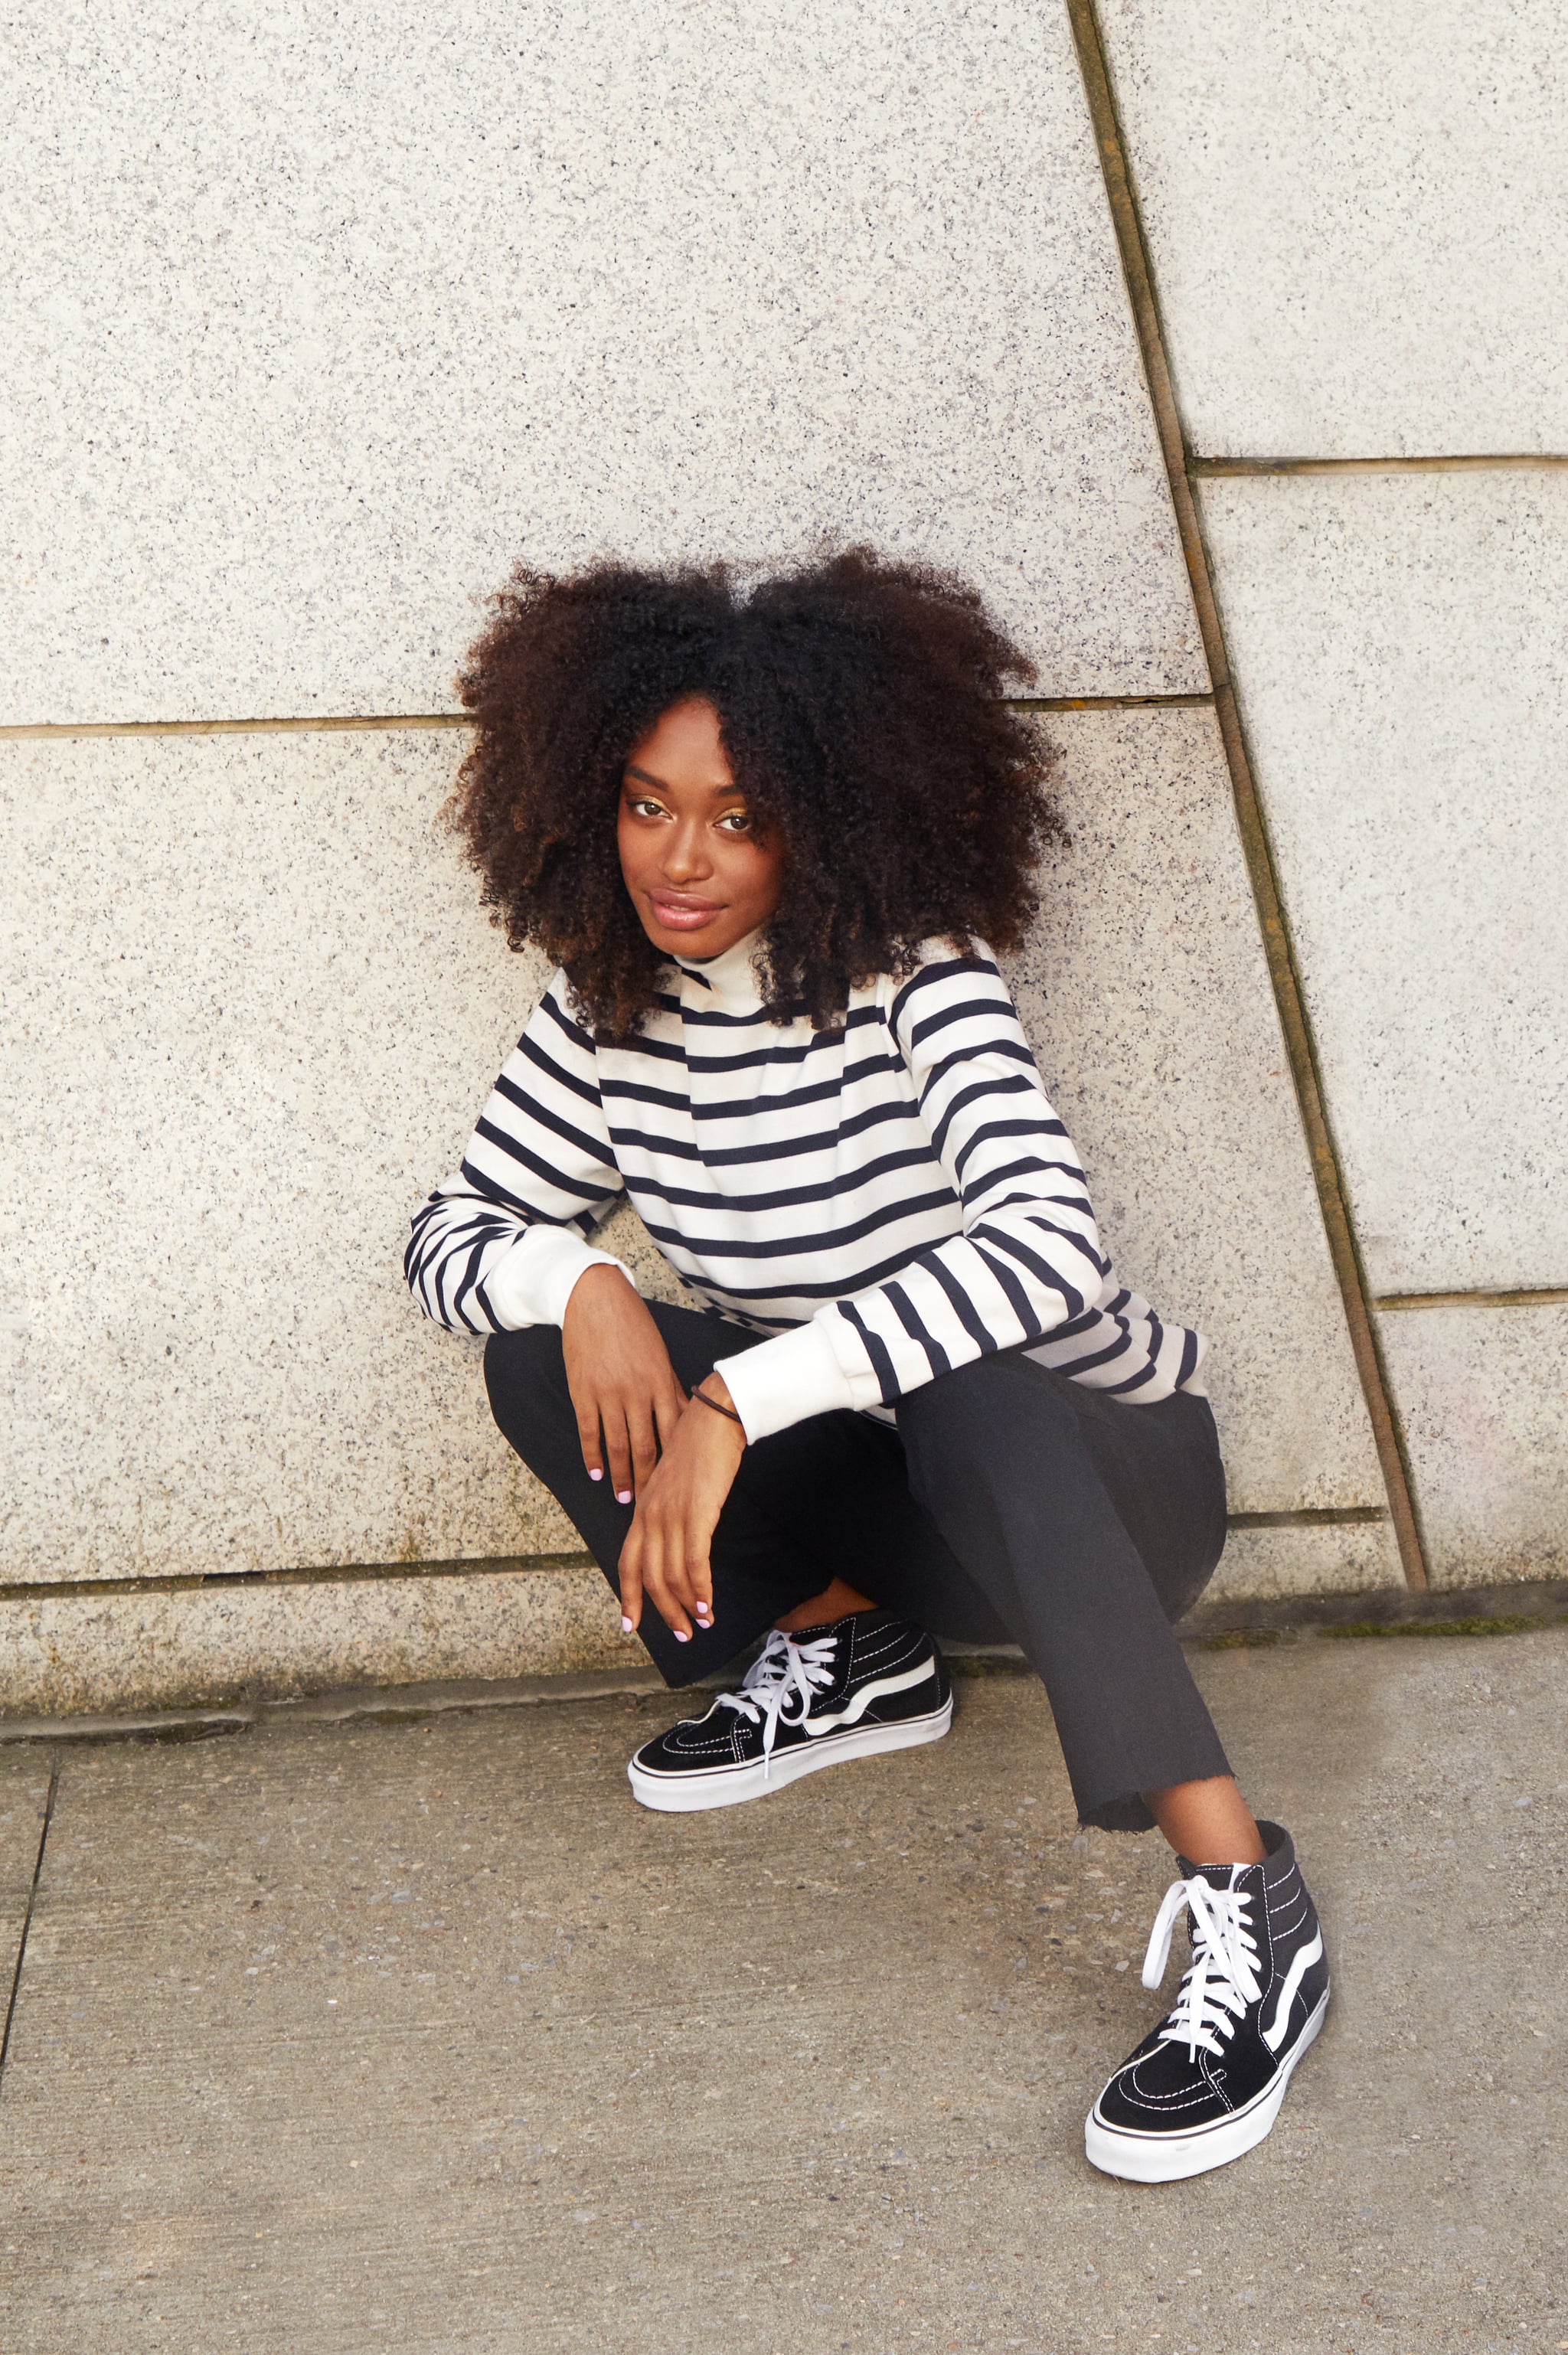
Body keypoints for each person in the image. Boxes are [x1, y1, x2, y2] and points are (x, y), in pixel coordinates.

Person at [405, 549, 1328, 2182]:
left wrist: (733, 1395)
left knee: (969, 1371)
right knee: (542, 1351)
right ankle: (853, 1652)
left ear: (828, 816)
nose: (679, 857)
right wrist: (585, 1277)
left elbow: (1046, 1246)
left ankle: (1247, 1888)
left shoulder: (919, 973)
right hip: (906, 1501)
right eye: (645, 801)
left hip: (1106, 1493)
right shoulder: (609, 1008)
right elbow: (447, 1229)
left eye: (739, 815)